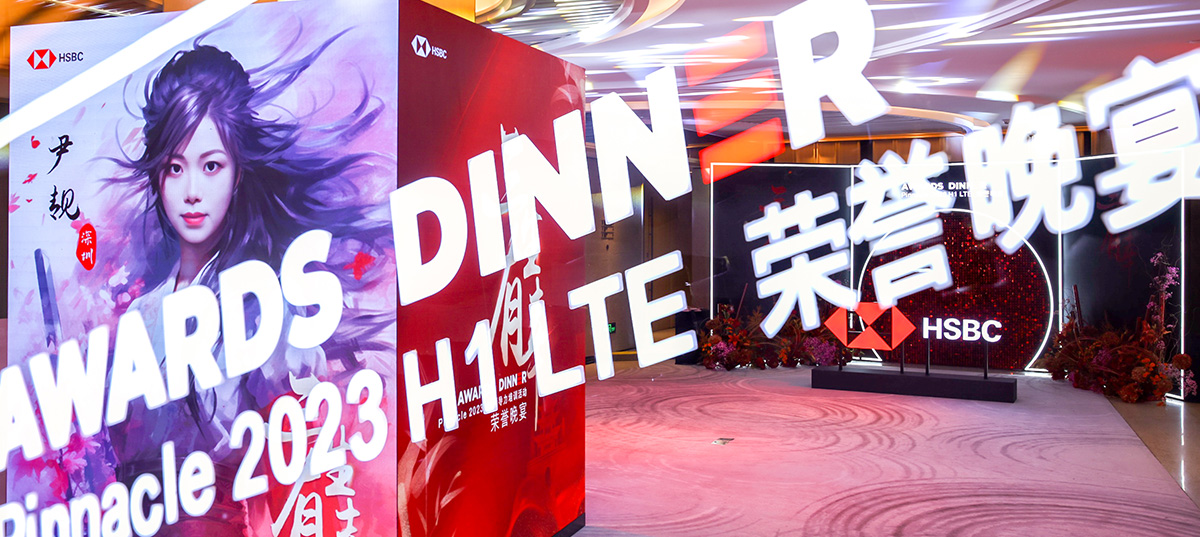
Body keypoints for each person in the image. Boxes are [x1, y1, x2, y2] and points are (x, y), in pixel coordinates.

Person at [101, 37, 394, 535]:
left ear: (237, 174)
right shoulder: (141, 316)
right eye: (175, 168)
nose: (192, 191)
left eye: (211, 165)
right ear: (158, 177)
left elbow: (303, 465)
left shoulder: (266, 306)